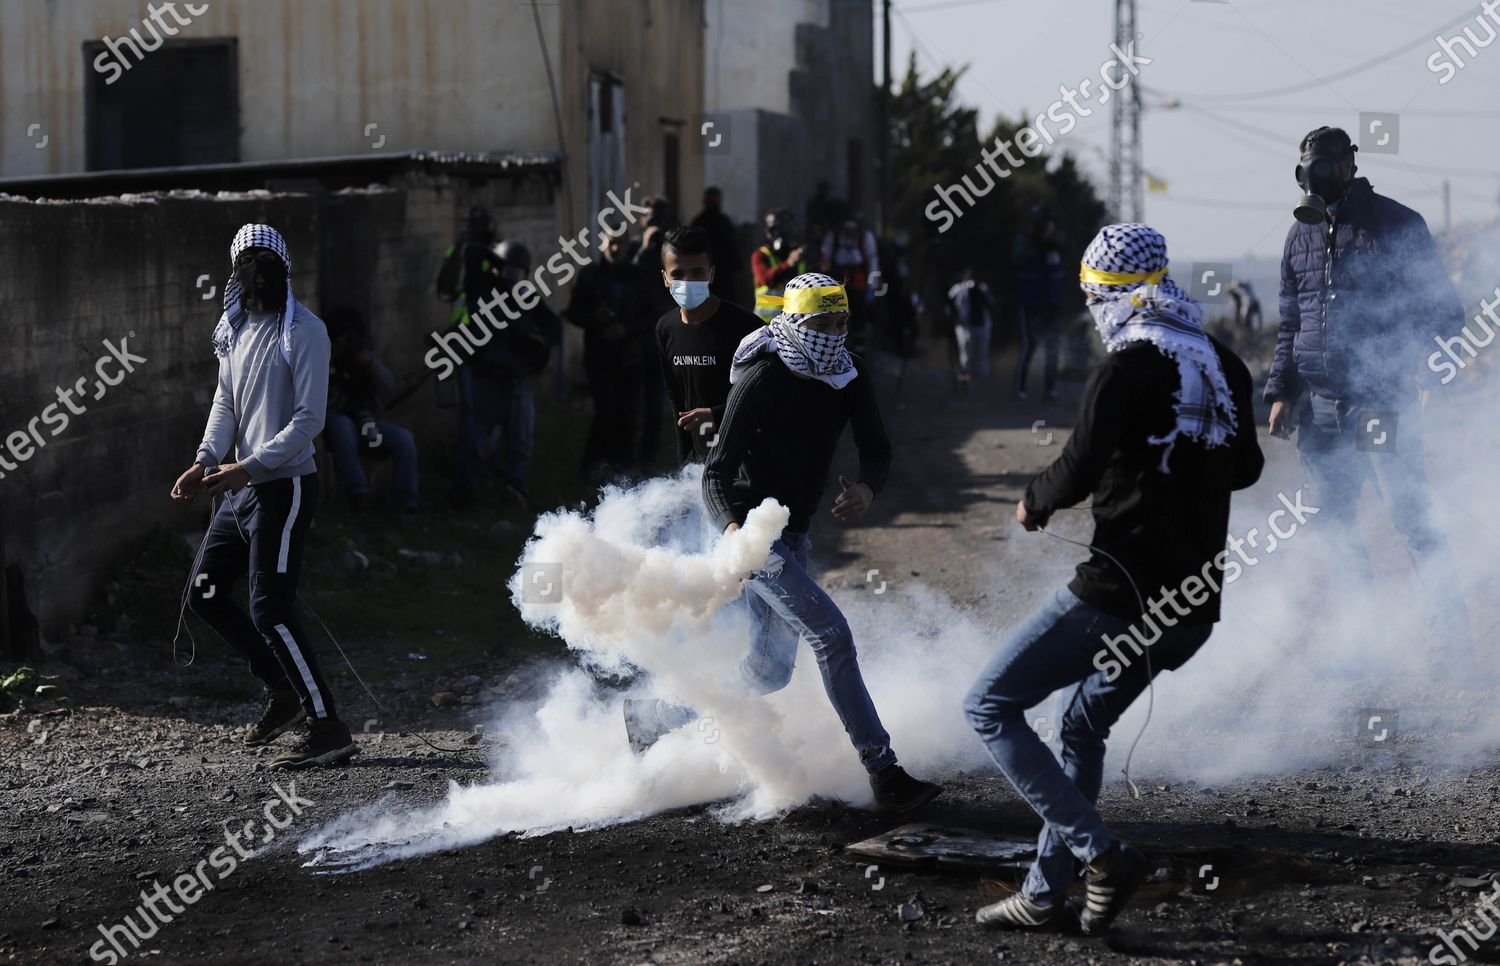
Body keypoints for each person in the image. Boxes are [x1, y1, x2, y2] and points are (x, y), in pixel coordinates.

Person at [964, 224, 1263, 933]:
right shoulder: (1221, 363)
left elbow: (1078, 464)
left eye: (1094, 295)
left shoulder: (1127, 365)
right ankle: (1045, 895)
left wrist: (1033, 501)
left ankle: (1102, 854)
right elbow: (1246, 468)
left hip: (1119, 595)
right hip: (1191, 610)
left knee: (989, 705)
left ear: (1112, 294)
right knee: (1081, 726)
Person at [629, 272, 943, 812]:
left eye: (842, 321)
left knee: (768, 672)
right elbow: (715, 474)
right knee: (831, 634)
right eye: (822, 322)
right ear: (796, 323)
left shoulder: (848, 373)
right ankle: (884, 772)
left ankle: (651, 717)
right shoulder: (765, 375)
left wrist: (867, 488)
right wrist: (736, 536)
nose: (834, 334)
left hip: (793, 535)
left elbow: (878, 448)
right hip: (753, 534)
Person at [1266, 126, 1471, 653]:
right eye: (1310, 166)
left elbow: (1443, 313)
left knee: (1408, 513)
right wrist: (1282, 392)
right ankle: (1367, 637)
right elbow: (1290, 324)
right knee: (1332, 524)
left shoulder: (1397, 224)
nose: (1318, 175)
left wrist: (1425, 372)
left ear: (1349, 166)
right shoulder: (1298, 236)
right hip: (1320, 408)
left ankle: (1452, 636)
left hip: (1380, 399)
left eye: (1326, 165)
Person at [170, 223, 358, 770]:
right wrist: (205, 461)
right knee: (204, 593)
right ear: (235, 273)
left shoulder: (305, 332)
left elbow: (309, 422)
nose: (257, 272)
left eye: (265, 262)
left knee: (270, 607)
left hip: (284, 487)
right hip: (239, 489)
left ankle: (328, 726)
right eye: (246, 262)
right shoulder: (233, 332)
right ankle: (280, 689)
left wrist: (247, 468)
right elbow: (225, 404)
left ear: (283, 269)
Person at [455, 239, 562, 507]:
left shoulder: (526, 296)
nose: (512, 277)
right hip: (487, 378)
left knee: (521, 439)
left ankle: (517, 491)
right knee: (480, 441)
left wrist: (541, 341)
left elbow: (553, 327)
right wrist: (495, 259)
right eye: (508, 270)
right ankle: (467, 492)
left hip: (517, 379)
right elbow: (470, 250)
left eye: (518, 271)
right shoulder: (480, 288)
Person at [655, 226, 763, 464]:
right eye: (678, 274)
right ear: (665, 278)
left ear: (711, 274)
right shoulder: (666, 328)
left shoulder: (746, 328)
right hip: (699, 464)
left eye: (697, 273)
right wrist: (684, 464)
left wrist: (717, 415)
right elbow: (677, 400)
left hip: (747, 465)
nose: (688, 282)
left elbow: (768, 395)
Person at [567, 230, 657, 482]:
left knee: (628, 415)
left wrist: (626, 329)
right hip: (599, 357)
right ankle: (593, 466)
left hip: (630, 357)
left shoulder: (639, 277)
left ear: (628, 245)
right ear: (602, 243)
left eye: (621, 243)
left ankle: (623, 469)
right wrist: (595, 320)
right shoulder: (591, 276)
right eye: (611, 243)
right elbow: (574, 313)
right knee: (606, 412)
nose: (616, 248)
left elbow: (651, 315)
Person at [322, 306, 419, 512]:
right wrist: (330, 358)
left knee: (404, 439)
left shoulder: (361, 362)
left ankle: (407, 504)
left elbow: (389, 386)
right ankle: (358, 493)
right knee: (342, 424)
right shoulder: (321, 360)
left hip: (367, 427)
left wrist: (369, 363)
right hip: (337, 430)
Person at [1013, 203, 1069, 400]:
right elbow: (1017, 259)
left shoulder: (1057, 241)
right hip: (1030, 302)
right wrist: (1035, 243)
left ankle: (1050, 388)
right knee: (1030, 343)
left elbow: (1067, 248)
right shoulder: (1024, 241)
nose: (1045, 227)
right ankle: (1020, 388)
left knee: (1052, 346)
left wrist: (1050, 239)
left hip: (1052, 302)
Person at [822, 215, 880, 353]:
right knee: (835, 316)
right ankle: (835, 348)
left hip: (858, 281)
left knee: (859, 316)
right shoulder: (834, 235)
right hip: (837, 280)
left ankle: (859, 352)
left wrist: (872, 286)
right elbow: (825, 258)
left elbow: (872, 260)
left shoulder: (865, 235)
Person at [751, 210, 813, 322]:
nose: (781, 233)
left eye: (785, 228)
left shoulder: (800, 255)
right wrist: (788, 263)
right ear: (767, 232)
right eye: (775, 229)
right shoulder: (760, 255)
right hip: (766, 323)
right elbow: (764, 279)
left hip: (796, 322)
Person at [691, 187, 744, 307]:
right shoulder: (700, 222)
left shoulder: (722, 221)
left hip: (723, 273)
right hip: (707, 273)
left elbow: (732, 246)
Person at [947, 268, 995, 383]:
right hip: (965, 327)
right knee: (966, 354)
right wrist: (956, 320)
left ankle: (983, 379)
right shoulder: (958, 289)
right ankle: (966, 377)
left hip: (982, 326)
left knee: (982, 355)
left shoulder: (983, 289)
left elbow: (991, 304)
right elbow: (949, 306)